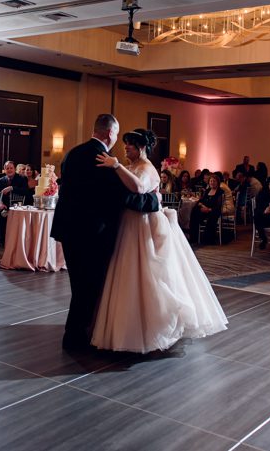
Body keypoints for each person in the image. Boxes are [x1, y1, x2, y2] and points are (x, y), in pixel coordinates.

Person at [92, 128, 227, 353]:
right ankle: (125, 326)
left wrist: (116, 166)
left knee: (148, 273)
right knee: (127, 272)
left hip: (143, 225)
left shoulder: (147, 168)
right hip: (128, 222)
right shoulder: (133, 166)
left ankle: (151, 327)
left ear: (142, 148)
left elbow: (139, 187)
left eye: (130, 146)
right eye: (125, 145)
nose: (126, 149)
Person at [50, 114, 160, 351]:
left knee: (78, 283)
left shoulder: (72, 153)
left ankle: (75, 333)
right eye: (118, 136)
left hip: (68, 228)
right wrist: (154, 201)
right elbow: (124, 197)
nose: (120, 141)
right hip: (92, 232)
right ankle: (75, 338)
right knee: (88, 285)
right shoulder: (105, 159)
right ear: (110, 133)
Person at [0, 160, 31, 246]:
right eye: (7, 168)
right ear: (4, 170)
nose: (9, 170)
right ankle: (3, 242)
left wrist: (12, 188)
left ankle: (17, 242)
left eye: (11, 168)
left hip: (18, 207)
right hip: (5, 206)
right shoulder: (1, 181)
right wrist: (0, 203)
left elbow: (26, 191)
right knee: (1, 215)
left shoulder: (22, 179)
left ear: (15, 169)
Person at [189, 172, 224, 245]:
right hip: (204, 209)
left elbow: (218, 206)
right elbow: (200, 201)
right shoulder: (207, 190)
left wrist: (208, 209)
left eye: (214, 181)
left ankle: (206, 238)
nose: (212, 182)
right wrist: (202, 206)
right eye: (211, 181)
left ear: (218, 182)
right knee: (194, 211)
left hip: (213, 211)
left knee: (198, 214)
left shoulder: (220, 191)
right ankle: (193, 237)